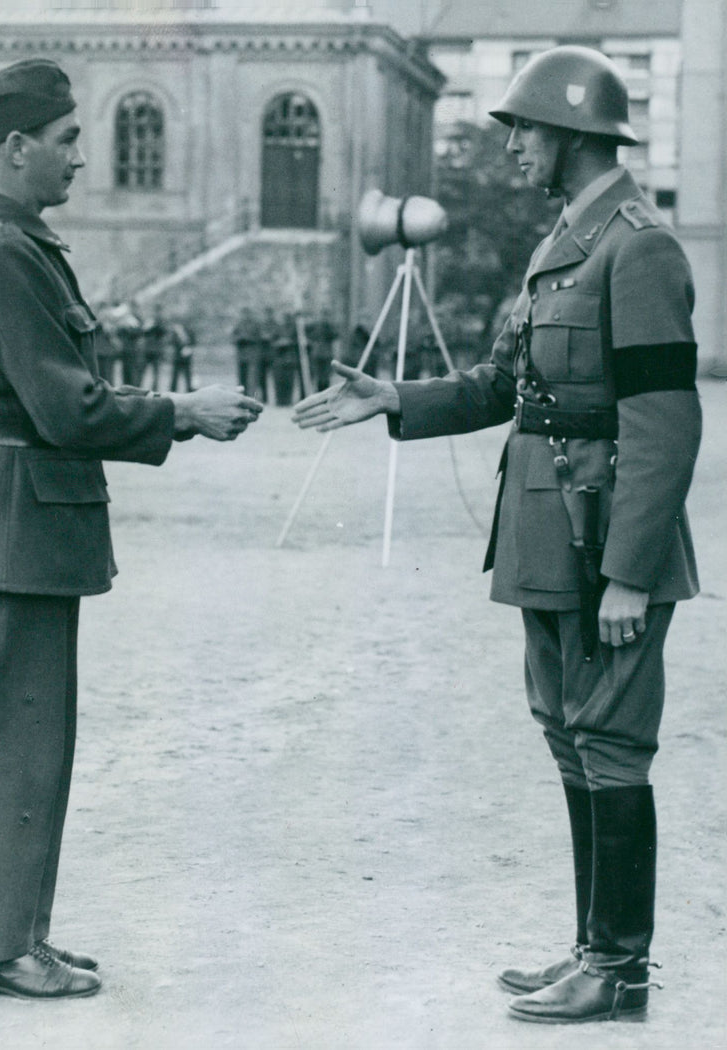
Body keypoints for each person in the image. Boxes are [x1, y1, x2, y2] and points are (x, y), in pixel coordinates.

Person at [293, 45, 701, 1025]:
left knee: (609, 743)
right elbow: (497, 387)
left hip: (602, 539)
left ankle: (619, 968)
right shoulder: (563, 239)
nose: (511, 144)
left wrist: (627, 578)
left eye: (519, 127)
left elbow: (662, 424)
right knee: (570, 737)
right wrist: (395, 395)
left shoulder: (635, 247)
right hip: (544, 530)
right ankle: (589, 949)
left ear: (567, 130)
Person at [0, 58, 263, 1001]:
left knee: (31, 739)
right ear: (17, 146)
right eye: (68, 138)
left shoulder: (14, 244)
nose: (82, 155)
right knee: (10, 743)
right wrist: (183, 412)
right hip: (16, 519)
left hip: (20, 521)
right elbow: (66, 408)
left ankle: (10, 934)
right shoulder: (1, 252)